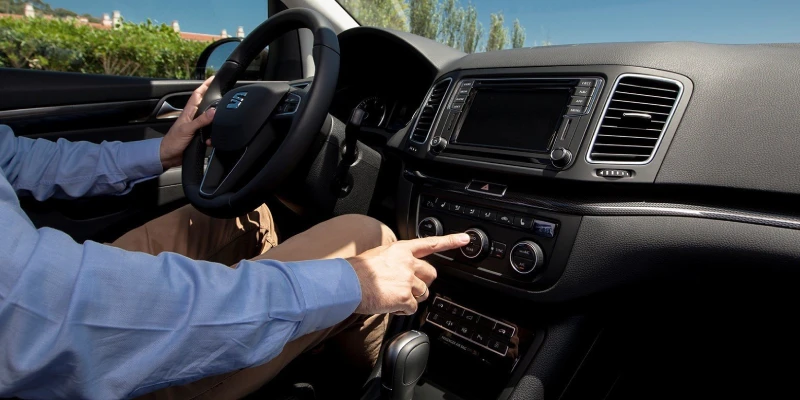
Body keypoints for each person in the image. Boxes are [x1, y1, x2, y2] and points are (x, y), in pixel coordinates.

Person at [0, 78, 470, 399]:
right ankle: (343, 374)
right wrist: (354, 284)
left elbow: (17, 159)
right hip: (67, 364)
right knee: (366, 237)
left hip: (40, 296)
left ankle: (286, 337)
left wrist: (160, 151)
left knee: (241, 215)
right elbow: (61, 310)